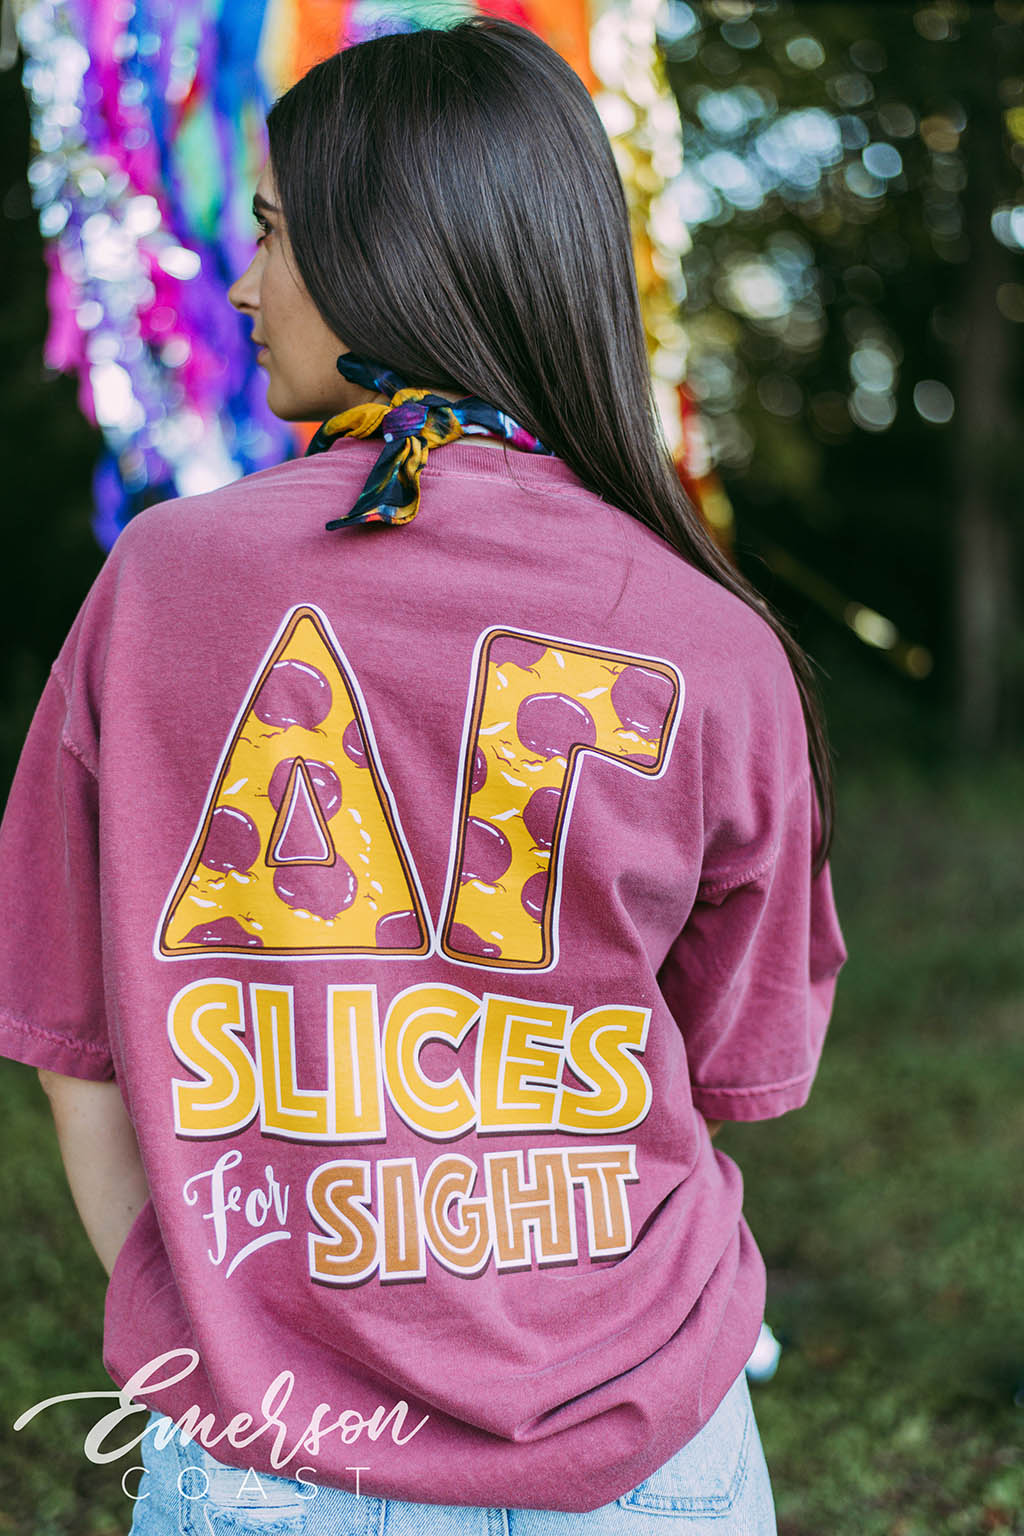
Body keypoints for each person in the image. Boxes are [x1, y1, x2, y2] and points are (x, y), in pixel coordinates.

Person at [0, 18, 846, 1534]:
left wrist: (228, 1336)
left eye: (273, 231)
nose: (243, 284)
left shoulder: (165, 583)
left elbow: (76, 1047)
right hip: (657, 1455)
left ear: (391, 256)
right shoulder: (717, 639)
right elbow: (726, 1064)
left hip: (272, 1464)